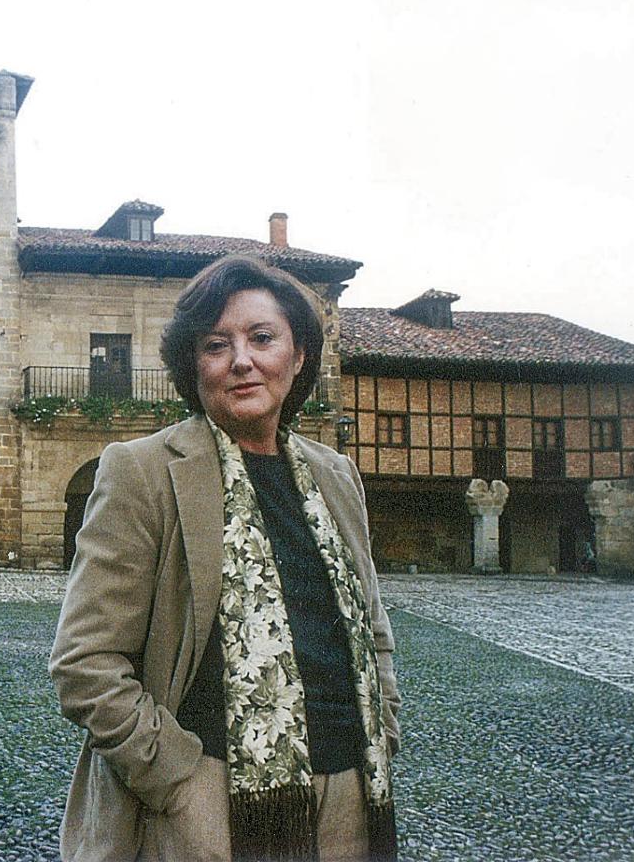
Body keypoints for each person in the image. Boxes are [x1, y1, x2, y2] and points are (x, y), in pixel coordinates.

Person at [50, 255, 400, 862]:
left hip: (350, 799)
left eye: (262, 338)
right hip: (205, 805)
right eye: (217, 345)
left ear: (298, 356)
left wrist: (384, 729)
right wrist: (178, 782)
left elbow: (372, 629)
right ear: (195, 366)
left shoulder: (335, 476)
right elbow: (86, 662)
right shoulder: (143, 472)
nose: (242, 360)